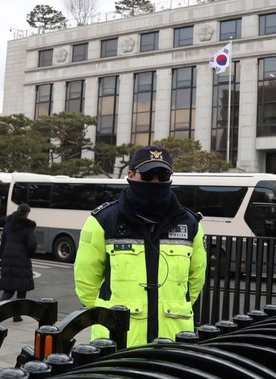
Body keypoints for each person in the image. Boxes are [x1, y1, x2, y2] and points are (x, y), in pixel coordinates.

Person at [74, 145, 207, 348]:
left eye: (162, 176)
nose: (155, 181)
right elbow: (86, 282)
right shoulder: (103, 221)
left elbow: (195, 281)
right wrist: (107, 316)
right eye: (147, 175)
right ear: (130, 175)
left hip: (174, 339)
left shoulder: (190, 224)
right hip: (115, 339)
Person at [0, 203, 37, 322]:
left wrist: (1, 256)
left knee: (8, 290)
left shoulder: (9, 223)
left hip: (8, 258)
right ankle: (17, 315)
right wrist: (30, 253)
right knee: (21, 290)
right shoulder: (28, 226)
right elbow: (31, 244)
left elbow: (3, 241)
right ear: (26, 213)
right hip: (22, 260)